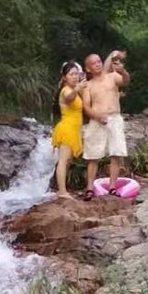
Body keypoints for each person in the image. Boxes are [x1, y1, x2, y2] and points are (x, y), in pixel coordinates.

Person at [79, 49, 129, 195]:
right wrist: (97, 117)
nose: (97, 64)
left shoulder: (112, 76)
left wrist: (123, 71)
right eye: (93, 63)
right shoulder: (88, 85)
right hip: (97, 120)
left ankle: (112, 187)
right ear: (88, 68)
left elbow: (125, 81)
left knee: (115, 153)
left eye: (99, 61)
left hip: (114, 118)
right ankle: (89, 188)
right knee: (92, 155)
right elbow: (86, 107)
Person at [50, 61, 84, 196]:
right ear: (64, 77)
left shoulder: (74, 90)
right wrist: (77, 89)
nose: (75, 77)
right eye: (71, 74)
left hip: (74, 129)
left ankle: (63, 190)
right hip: (67, 129)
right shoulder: (66, 90)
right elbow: (69, 98)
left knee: (67, 160)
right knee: (63, 160)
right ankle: (62, 191)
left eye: (76, 74)